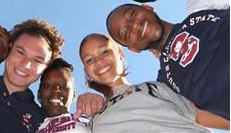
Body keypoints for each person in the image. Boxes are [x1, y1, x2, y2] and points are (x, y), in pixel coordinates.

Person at [79, 33, 229, 131]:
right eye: (89, 60)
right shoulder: (90, 115)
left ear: (120, 53)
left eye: (104, 51)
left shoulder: (155, 87)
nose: (99, 61)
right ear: (87, 72)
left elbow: (199, 114)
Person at [106, 4, 230, 122]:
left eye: (132, 15)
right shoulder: (165, 85)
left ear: (148, 8)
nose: (135, 26)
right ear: (134, 49)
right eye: (126, 33)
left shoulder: (202, 13)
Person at [36, 58, 91, 133]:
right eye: (47, 85)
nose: (56, 89)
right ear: (39, 94)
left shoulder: (88, 122)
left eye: (64, 86)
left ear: (74, 95)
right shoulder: (30, 127)